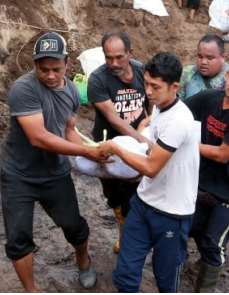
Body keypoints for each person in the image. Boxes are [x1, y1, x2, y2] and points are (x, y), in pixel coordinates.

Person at [1, 32, 108, 291]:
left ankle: (84, 260)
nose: (50, 75)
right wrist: (85, 154)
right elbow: (38, 137)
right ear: (35, 65)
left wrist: (96, 153)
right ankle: (31, 291)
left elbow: (69, 130)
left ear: (67, 64)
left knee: (74, 226)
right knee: (18, 239)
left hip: (54, 173)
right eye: (43, 69)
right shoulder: (23, 89)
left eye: (56, 69)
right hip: (18, 175)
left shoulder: (71, 91)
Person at [99, 51, 199, 293]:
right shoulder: (160, 108)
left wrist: (115, 147)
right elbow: (151, 145)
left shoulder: (180, 120)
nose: (149, 91)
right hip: (143, 203)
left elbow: (152, 168)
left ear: (175, 86)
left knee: (166, 282)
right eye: (146, 83)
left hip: (171, 214)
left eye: (155, 86)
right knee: (124, 275)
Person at [184, 54, 229, 292]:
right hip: (204, 181)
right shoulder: (210, 98)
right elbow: (180, 110)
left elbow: (222, 154)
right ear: (226, 75)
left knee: (213, 245)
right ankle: (203, 262)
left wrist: (186, 146)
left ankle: (205, 285)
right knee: (193, 227)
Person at [87, 32, 151, 253]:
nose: (114, 63)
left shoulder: (143, 71)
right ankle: (123, 222)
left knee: (133, 195)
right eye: (108, 58)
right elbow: (115, 119)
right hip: (108, 147)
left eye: (119, 57)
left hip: (137, 146)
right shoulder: (97, 79)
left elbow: (151, 105)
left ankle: (127, 238)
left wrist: (149, 132)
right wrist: (142, 138)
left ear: (130, 53)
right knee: (113, 195)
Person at [178, 34, 229, 100]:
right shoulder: (187, 73)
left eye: (209, 58)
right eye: (200, 57)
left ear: (223, 57)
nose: (203, 62)